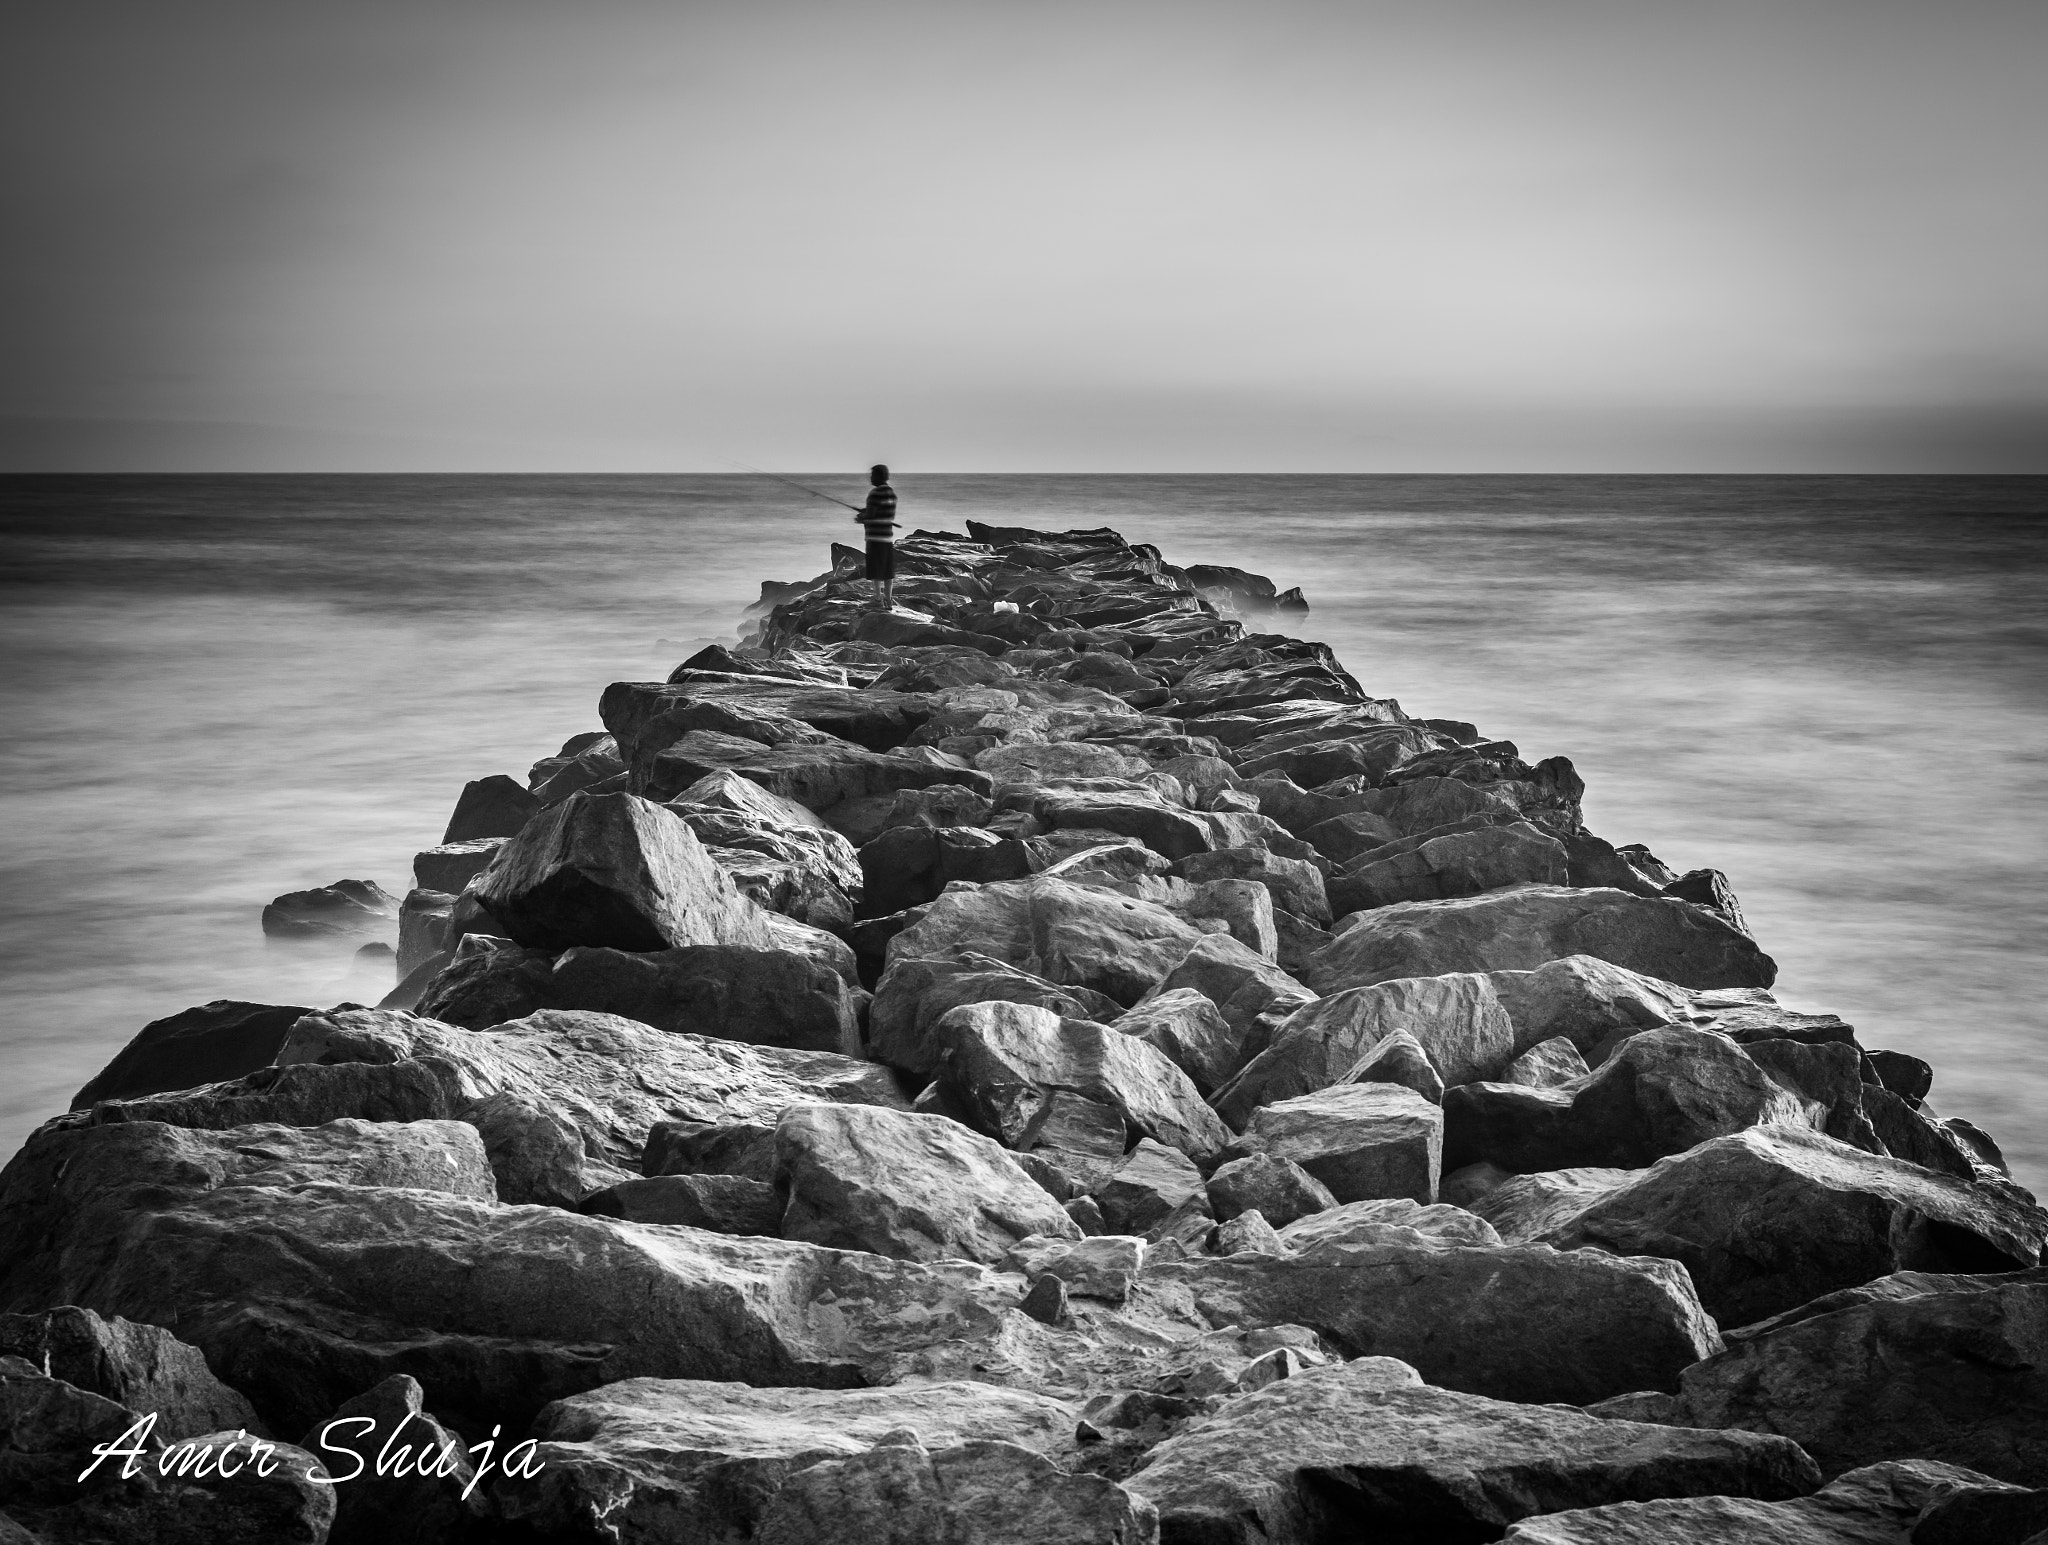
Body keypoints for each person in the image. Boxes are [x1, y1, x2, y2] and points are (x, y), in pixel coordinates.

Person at [854, 463, 898, 612]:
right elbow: (882, 512)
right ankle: (889, 600)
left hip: (875, 537)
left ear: (879, 476)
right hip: (887, 537)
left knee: (876, 569)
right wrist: (866, 512)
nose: (870, 478)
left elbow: (871, 515)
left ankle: (877, 600)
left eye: (873, 475)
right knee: (887, 570)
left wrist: (861, 518)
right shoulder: (891, 493)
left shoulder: (874, 493)